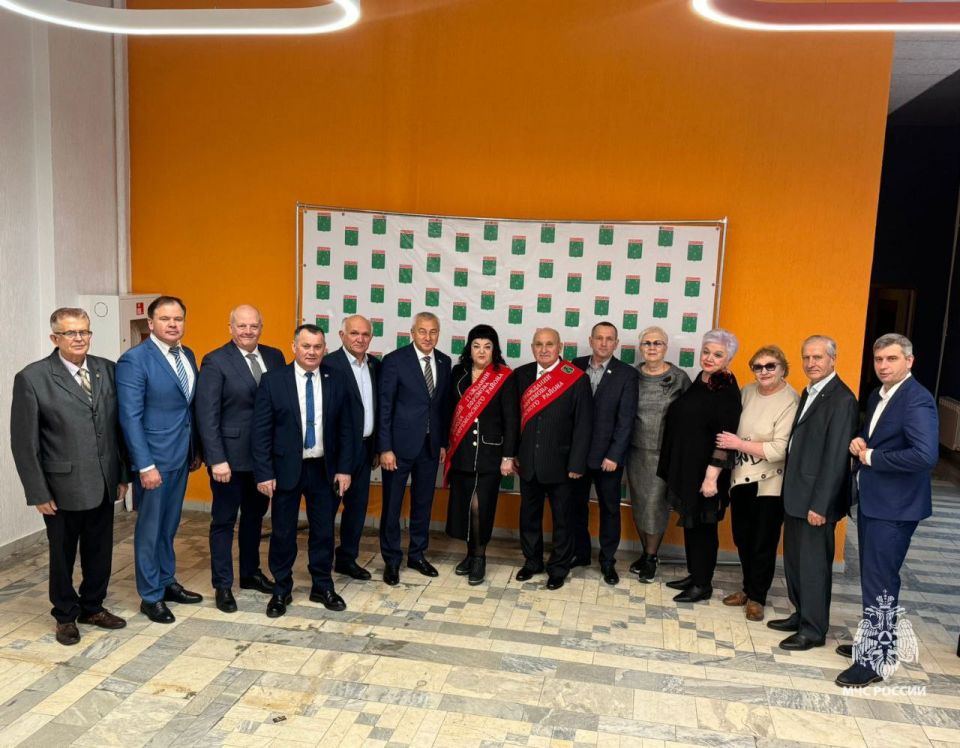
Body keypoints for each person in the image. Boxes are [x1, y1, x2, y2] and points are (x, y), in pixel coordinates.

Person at [10, 308, 129, 645]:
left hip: (104, 480)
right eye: (71, 333)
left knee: (100, 550)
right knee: (62, 555)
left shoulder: (108, 370)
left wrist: (122, 474)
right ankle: (64, 615)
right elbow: (24, 443)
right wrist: (38, 492)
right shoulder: (33, 378)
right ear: (55, 338)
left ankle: (93, 606)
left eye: (84, 332)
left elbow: (117, 429)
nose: (79, 338)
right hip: (61, 487)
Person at [836, 334, 938, 687]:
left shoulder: (916, 399)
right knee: (874, 577)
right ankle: (875, 642)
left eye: (891, 359)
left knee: (880, 580)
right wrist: (861, 441)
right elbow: (879, 439)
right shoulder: (878, 394)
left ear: (909, 361)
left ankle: (874, 660)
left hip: (895, 508)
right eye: (879, 359)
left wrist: (872, 456)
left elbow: (925, 456)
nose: (883, 365)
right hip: (875, 501)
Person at [251, 324, 355, 618]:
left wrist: (344, 469)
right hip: (285, 469)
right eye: (306, 346)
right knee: (283, 532)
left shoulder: (337, 379)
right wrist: (264, 473)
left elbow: (346, 428)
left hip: (324, 469)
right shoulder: (273, 381)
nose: (311, 352)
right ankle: (281, 588)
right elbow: (261, 431)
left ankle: (322, 585)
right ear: (294, 347)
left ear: (325, 349)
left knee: (323, 531)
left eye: (317, 347)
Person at [117, 295, 204, 624]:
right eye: (165, 319)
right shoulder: (135, 360)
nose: (173, 324)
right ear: (150, 323)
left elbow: (187, 407)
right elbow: (130, 417)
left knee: (169, 525)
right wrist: (145, 465)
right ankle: (150, 595)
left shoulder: (187, 354)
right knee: (150, 529)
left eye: (178, 319)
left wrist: (195, 448)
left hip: (181, 455)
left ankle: (167, 582)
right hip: (154, 460)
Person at [767, 335, 858, 651]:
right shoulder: (810, 391)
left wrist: (821, 505)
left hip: (816, 502)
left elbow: (835, 459)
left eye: (818, 357)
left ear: (833, 359)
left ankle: (814, 629)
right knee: (795, 562)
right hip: (797, 495)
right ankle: (801, 614)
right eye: (806, 357)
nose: (811, 363)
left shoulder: (842, 399)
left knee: (814, 568)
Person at [195, 304, 286, 613]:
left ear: (261, 327)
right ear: (230, 328)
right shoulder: (215, 361)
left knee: (254, 518)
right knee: (224, 521)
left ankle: (250, 574)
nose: (248, 331)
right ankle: (223, 584)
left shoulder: (274, 357)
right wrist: (216, 459)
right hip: (229, 462)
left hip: (264, 460)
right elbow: (207, 415)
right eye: (242, 326)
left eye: (253, 326)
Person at [657, 328, 741, 603]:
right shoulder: (703, 378)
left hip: (707, 472)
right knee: (693, 525)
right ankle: (695, 574)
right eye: (706, 352)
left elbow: (725, 437)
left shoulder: (726, 388)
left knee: (704, 528)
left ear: (728, 358)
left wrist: (711, 477)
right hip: (689, 467)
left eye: (717, 355)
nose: (709, 358)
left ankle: (703, 584)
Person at [715, 345, 798, 622]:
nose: (764, 371)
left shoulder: (790, 400)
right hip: (742, 478)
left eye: (770, 366)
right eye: (758, 366)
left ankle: (757, 597)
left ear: (783, 368)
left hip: (770, 483)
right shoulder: (748, 392)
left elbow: (779, 449)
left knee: (763, 541)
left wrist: (739, 444)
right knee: (742, 537)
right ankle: (747, 588)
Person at [512, 328, 593, 590]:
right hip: (528, 462)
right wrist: (513, 453)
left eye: (549, 344)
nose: (544, 349)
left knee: (563, 520)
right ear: (532, 347)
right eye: (539, 344)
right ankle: (532, 561)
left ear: (560, 347)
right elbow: (513, 419)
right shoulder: (521, 374)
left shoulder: (576, 378)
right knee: (529, 517)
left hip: (563, 465)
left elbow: (583, 425)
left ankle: (558, 568)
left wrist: (577, 463)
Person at [378, 311, 452, 586]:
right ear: (412, 332)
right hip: (398, 448)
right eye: (422, 331)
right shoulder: (395, 361)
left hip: (430, 447)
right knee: (392, 505)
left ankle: (417, 555)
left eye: (433, 331)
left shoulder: (444, 361)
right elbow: (385, 407)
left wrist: (442, 442)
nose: (427, 337)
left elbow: (442, 407)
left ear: (438, 334)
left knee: (423, 503)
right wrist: (385, 447)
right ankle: (391, 560)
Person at [445, 324, 518, 585]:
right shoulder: (459, 373)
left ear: (494, 350)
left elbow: (512, 419)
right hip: (462, 451)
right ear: (469, 348)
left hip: (490, 453)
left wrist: (508, 456)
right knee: (465, 505)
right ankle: (469, 554)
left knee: (481, 507)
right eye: (476, 346)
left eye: (487, 346)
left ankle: (480, 557)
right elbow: (449, 410)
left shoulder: (504, 376)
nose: (481, 351)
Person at [572, 322, 639, 585]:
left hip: (608, 458)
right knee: (576, 506)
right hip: (578, 455)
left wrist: (614, 455)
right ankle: (580, 553)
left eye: (609, 339)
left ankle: (608, 560)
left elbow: (626, 420)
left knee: (610, 509)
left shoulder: (627, 374)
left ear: (616, 343)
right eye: (599, 338)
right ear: (591, 340)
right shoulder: (574, 366)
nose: (603, 343)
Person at [626, 326, 691, 583]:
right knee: (639, 505)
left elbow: (690, 417)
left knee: (655, 506)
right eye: (647, 343)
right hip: (634, 452)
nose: (652, 347)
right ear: (640, 347)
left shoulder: (679, 378)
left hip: (664, 455)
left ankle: (652, 557)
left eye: (658, 343)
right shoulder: (631, 375)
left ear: (666, 347)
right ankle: (646, 554)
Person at [322, 314, 380, 581]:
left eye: (365, 334)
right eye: (354, 333)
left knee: (357, 509)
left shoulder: (375, 365)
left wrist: (377, 447)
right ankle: (321, 564)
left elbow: (379, 409)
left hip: (365, 450)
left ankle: (347, 559)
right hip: (334, 453)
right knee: (327, 510)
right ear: (341, 335)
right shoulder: (327, 364)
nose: (360, 339)